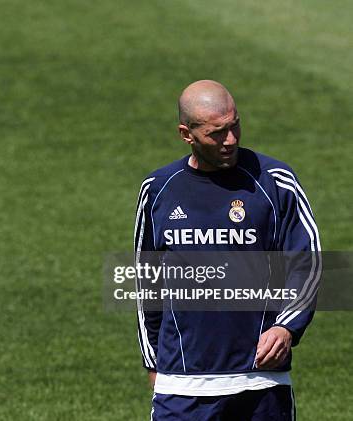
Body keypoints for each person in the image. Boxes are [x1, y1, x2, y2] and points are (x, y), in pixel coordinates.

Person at [134, 80, 320, 420]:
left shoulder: (275, 181)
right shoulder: (159, 190)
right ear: (186, 134)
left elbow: (307, 263)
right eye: (216, 133)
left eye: (235, 126)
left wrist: (286, 327)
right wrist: (154, 365)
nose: (230, 140)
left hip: (261, 381)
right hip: (183, 385)